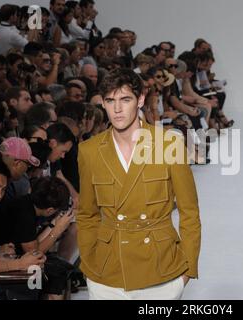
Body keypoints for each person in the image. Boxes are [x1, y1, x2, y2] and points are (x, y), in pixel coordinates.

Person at [77, 68, 201, 300]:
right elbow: (86, 214)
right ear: (102, 104)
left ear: (141, 100)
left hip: (160, 270)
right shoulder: (89, 151)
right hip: (107, 272)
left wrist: (187, 271)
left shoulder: (168, 145)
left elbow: (190, 212)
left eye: (125, 99)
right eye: (110, 100)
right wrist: (89, 264)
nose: (117, 109)